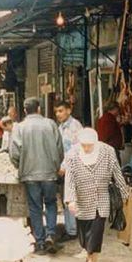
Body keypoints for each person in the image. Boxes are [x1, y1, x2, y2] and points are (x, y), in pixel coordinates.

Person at [64, 128, 129, 262]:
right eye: (84, 145)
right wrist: (70, 200)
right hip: (82, 199)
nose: (86, 148)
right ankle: (88, 253)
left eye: (89, 145)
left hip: (101, 198)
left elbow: (117, 172)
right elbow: (70, 179)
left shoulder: (108, 151)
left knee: (97, 232)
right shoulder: (73, 154)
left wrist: (124, 193)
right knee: (84, 233)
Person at [9, 97, 64, 255]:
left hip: (29, 174)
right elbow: (60, 150)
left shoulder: (19, 127)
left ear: (25, 111)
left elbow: (14, 153)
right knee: (51, 203)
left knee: (35, 207)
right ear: (39, 108)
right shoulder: (51, 124)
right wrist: (56, 165)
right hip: (49, 173)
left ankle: (39, 242)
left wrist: (20, 166)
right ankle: (51, 235)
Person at [54, 100, 83, 242]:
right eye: (57, 111)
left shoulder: (74, 127)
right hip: (64, 169)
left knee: (71, 198)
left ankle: (73, 231)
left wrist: (64, 166)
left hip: (72, 168)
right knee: (67, 198)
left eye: (61, 111)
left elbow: (75, 150)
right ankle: (70, 228)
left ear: (68, 111)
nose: (58, 114)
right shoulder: (61, 127)